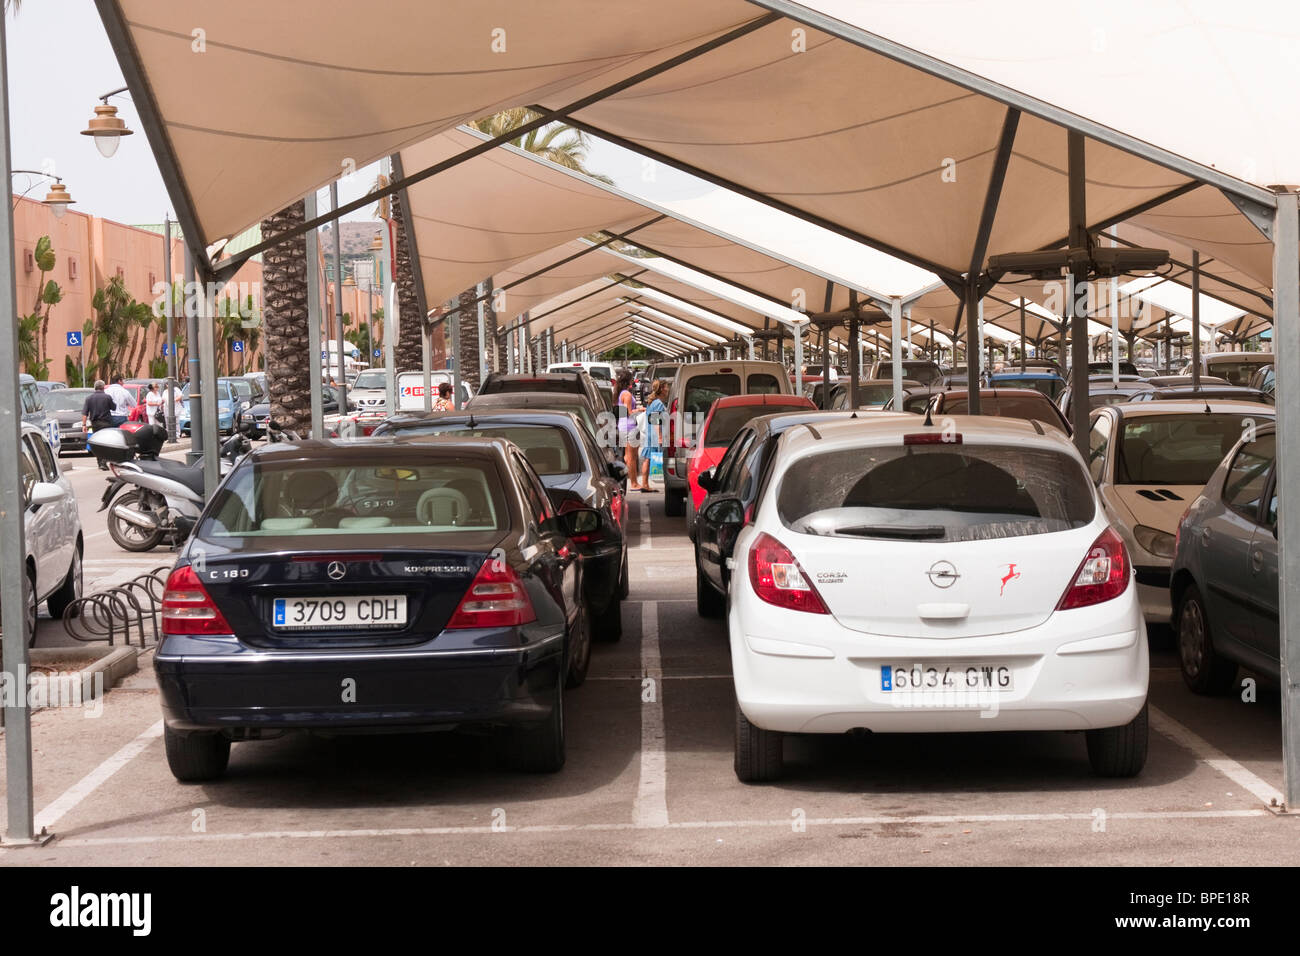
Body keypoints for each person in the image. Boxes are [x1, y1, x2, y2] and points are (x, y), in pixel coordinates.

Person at [638, 379, 667, 492]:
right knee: (648, 459)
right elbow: (656, 420)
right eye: (666, 387)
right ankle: (645, 484)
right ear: (661, 389)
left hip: (650, 434)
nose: (667, 389)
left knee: (648, 458)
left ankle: (645, 484)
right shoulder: (658, 403)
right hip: (654, 435)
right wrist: (659, 436)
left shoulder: (652, 402)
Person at [81, 380, 117, 470]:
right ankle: (104, 462)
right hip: (106, 423)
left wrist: (84, 425)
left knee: (98, 443)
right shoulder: (107, 397)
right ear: (103, 387)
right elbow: (114, 407)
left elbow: (84, 413)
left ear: (95, 387)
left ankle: (99, 462)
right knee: (107, 443)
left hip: (95, 424)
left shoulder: (89, 398)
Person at [616, 370, 641, 490]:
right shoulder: (627, 395)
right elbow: (629, 412)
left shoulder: (621, 394)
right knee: (631, 457)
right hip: (629, 427)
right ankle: (634, 483)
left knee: (628, 456)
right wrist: (641, 410)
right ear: (629, 381)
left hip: (623, 426)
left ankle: (628, 481)